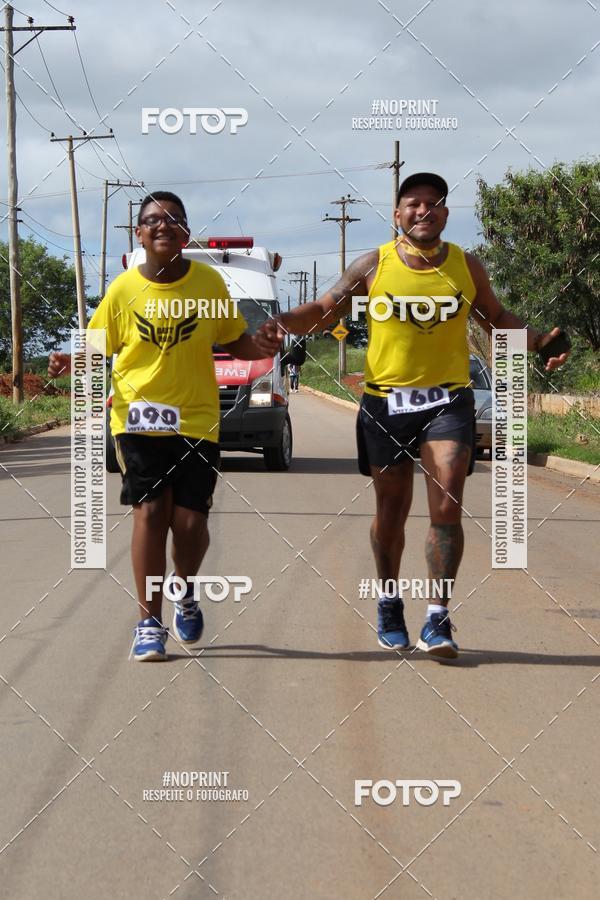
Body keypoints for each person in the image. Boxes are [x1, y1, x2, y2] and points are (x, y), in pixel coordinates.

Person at [255, 172, 569, 660]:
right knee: (392, 511)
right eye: (414, 203)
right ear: (398, 214)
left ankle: (437, 617)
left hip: (448, 400)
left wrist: (540, 342)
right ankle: (388, 601)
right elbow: (324, 309)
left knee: (447, 503)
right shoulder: (373, 265)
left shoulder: (466, 266)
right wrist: (281, 323)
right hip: (386, 404)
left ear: (445, 213)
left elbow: (497, 318)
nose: (424, 210)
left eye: (433, 203)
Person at [49, 191, 280, 661]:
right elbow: (98, 343)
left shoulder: (209, 284)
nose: (163, 225)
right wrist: (68, 359)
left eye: (174, 219)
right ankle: (149, 623)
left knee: (190, 524)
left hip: (196, 419)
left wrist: (263, 346)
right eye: (153, 219)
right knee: (152, 514)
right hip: (135, 417)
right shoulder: (123, 290)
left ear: (186, 232)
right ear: (139, 233)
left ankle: (185, 590)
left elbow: (233, 340)